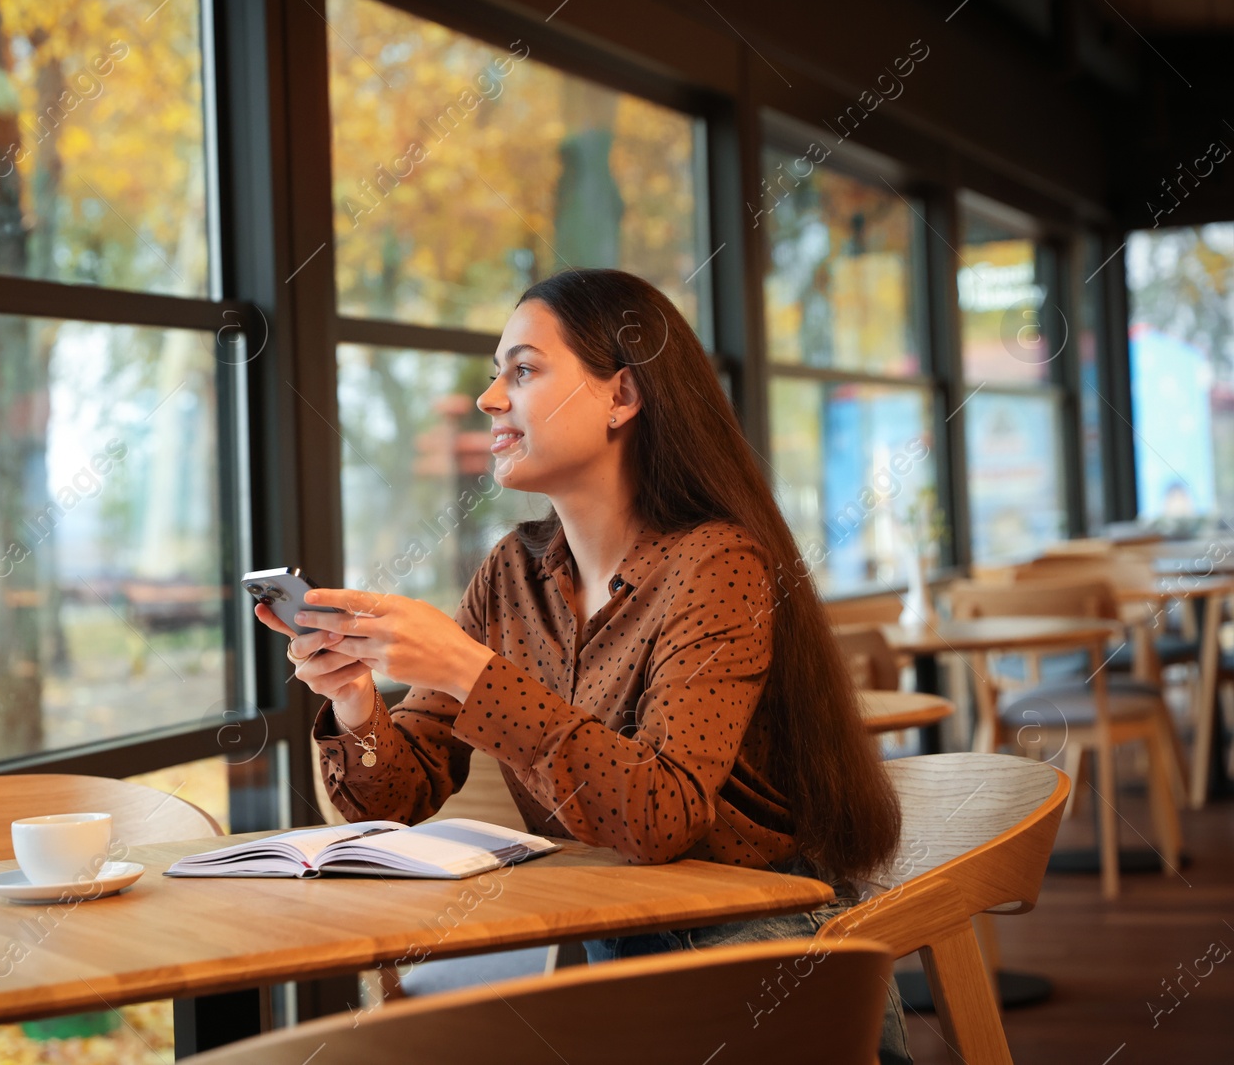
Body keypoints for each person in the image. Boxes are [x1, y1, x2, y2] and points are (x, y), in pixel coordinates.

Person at [255, 268, 910, 1062]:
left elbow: (663, 814)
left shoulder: (718, 563)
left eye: (522, 370)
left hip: (760, 951)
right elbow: (395, 796)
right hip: (618, 946)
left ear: (621, 398)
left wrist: (468, 669)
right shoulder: (511, 573)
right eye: (497, 374)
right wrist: (356, 697)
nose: (491, 398)